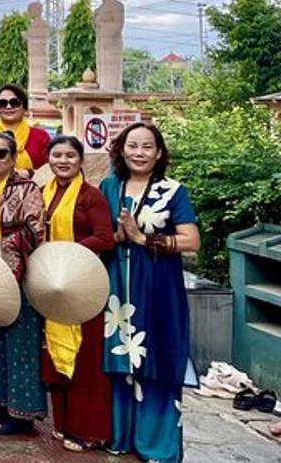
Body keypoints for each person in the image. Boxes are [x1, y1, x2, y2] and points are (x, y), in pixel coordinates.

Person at [102, 123, 200, 463]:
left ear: (158, 153)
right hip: (117, 287)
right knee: (118, 358)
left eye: (147, 147)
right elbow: (103, 235)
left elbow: (192, 240)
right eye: (132, 146)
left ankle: (157, 446)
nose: (139, 153)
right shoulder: (109, 186)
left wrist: (143, 237)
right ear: (121, 149)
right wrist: (117, 235)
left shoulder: (173, 191)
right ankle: (121, 436)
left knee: (156, 355)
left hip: (157, 286)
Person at [39, 135, 114, 453]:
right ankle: (64, 424)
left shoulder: (90, 196)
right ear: (49, 159)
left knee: (86, 358)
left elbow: (105, 238)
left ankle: (89, 430)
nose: (64, 161)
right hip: (52, 284)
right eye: (57, 155)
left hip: (82, 282)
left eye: (70, 155)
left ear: (81, 160)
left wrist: (67, 255)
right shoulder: (45, 192)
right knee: (55, 352)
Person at [0, 132, 47, 435]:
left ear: (13, 157)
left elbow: (35, 230)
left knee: (20, 344)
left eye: (0, 153)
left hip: (16, 273)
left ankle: (21, 412)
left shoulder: (26, 188)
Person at [0, 83, 50, 175]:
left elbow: (50, 169)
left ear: (25, 108)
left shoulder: (40, 137)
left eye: (15, 102)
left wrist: (29, 173)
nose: (8, 107)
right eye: (2, 103)